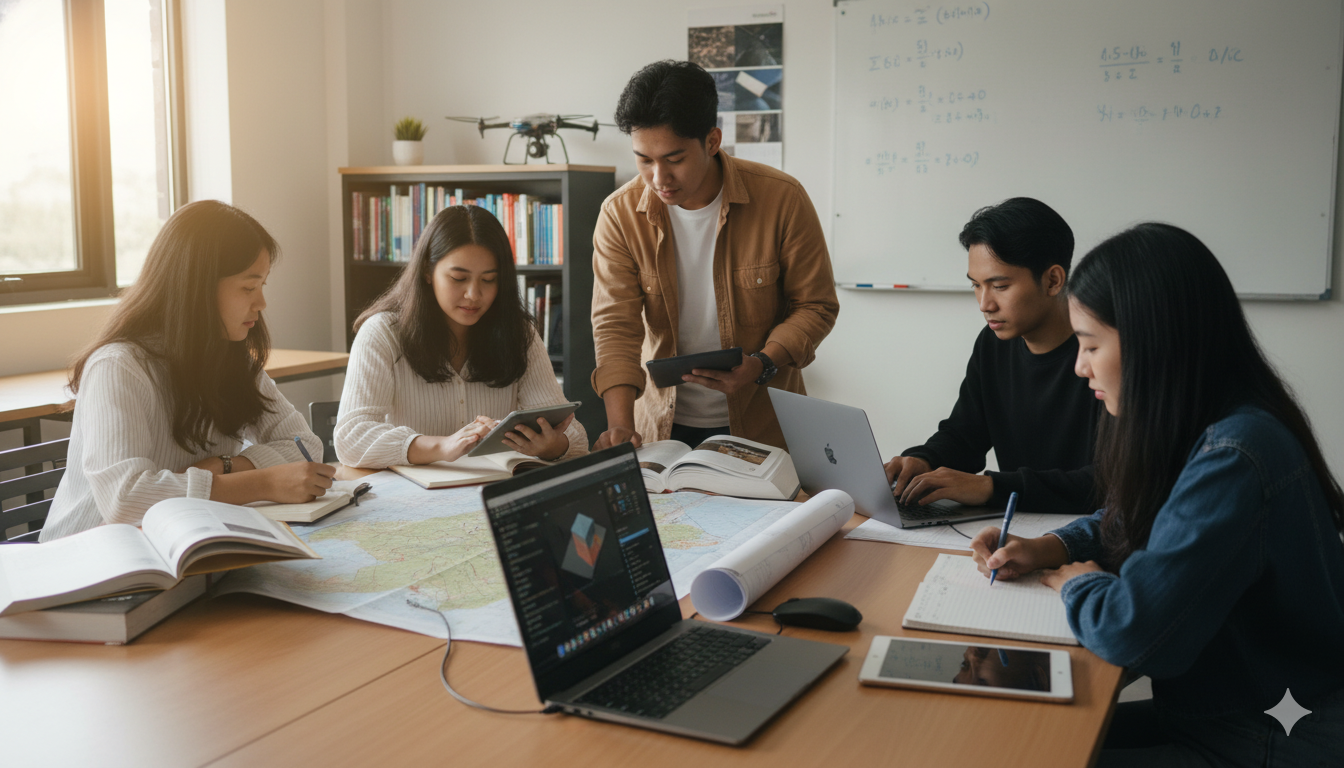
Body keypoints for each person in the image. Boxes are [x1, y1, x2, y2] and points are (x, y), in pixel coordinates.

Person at [971, 223, 1344, 766]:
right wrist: (1055, 545)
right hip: (1218, 713)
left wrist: (1081, 585)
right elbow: (1136, 516)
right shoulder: (1214, 422)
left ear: (1155, 343)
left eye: (1092, 344)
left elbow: (1131, 631)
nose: (1080, 366)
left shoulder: (1236, 456)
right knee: (1014, 739)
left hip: (1270, 737)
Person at [41, 201, 331, 541]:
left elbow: (304, 447)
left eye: (263, 286)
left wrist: (224, 466)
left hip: (178, 546)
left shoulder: (233, 359)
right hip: (90, 561)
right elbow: (127, 498)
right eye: (248, 288)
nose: (261, 303)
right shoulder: (119, 366)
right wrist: (261, 482)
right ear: (197, 287)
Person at [590, 60, 839, 451]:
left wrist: (760, 363)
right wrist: (620, 427)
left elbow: (815, 306)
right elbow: (615, 326)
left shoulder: (781, 199)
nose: (659, 179)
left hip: (764, 424)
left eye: (674, 159)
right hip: (663, 430)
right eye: (644, 160)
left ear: (712, 141)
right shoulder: (619, 215)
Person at [885, 198, 1100, 514]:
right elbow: (965, 436)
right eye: (976, 286)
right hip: (1017, 529)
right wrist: (923, 460)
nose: (984, 304)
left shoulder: (1107, 353)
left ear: (1053, 280)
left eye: (999, 286)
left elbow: (1113, 481)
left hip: (1090, 532)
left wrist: (992, 487)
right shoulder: (993, 344)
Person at [335, 205, 587, 469]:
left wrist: (553, 446)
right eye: (458, 278)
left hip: (492, 493)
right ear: (427, 272)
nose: (474, 295)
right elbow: (350, 439)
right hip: (414, 499)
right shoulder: (382, 333)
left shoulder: (519, 333)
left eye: (489, 280)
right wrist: (442, 446)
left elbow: (576, 438)